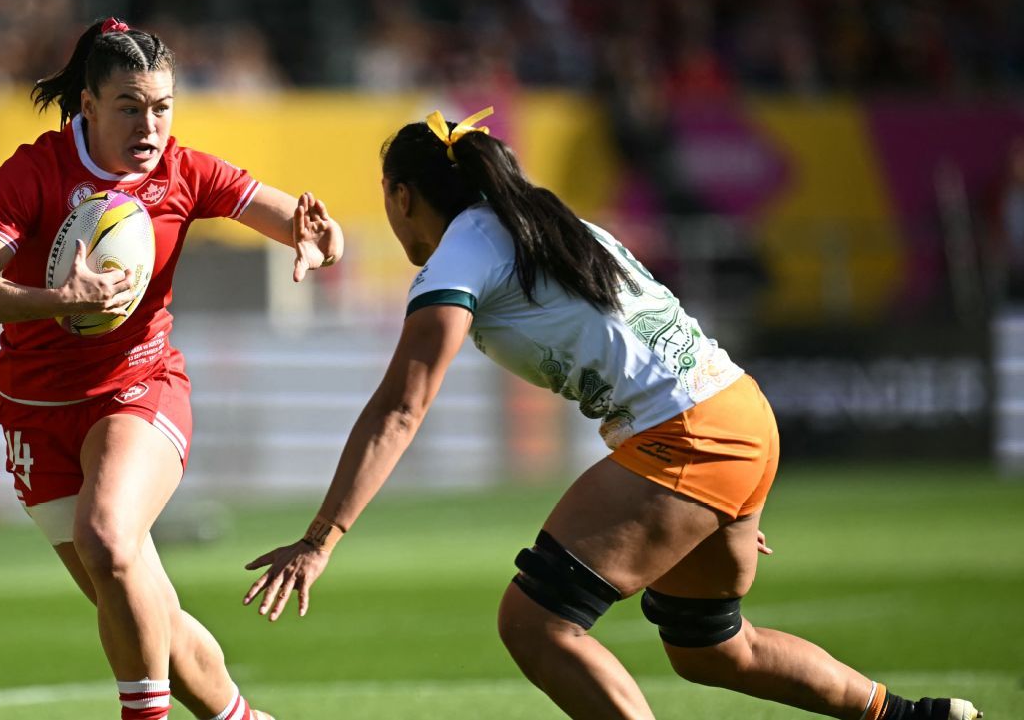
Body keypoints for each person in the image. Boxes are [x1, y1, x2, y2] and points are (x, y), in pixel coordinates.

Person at [242, 108, 982, 720]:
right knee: (712, 648)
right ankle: (915, 717)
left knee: (532, 622)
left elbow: (403, 405)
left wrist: (322, 536)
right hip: (738, 415)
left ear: (402, 196)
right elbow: (658, 326)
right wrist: (723, 486)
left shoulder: (462, 252)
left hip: (693, 435)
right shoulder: (554, 223)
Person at [0, 17, 342, 720]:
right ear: (88, 106)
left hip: (139, 390)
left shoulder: (183, 170)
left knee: (106, 538)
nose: (149, 125)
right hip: (36, 416)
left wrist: (319, 241)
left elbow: (292, 221)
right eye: (129, 107)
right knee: (143, 607)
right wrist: (57, 299)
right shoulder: (34, 172)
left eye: (161, 106)